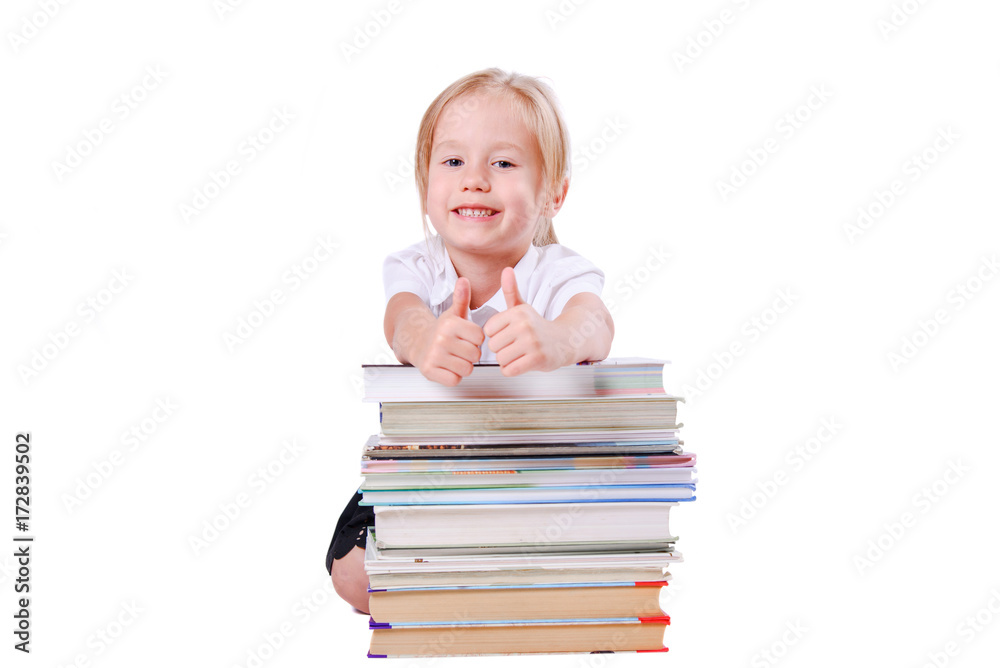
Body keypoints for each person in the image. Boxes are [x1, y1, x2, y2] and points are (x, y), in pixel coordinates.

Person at [328, 68, 615, 614]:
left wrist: (557, 338)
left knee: (587, 565)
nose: (475, 179)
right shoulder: (416, 265)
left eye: (503, 163)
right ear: (426, 184)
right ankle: (468, 588)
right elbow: (401, 317)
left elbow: (595, 319)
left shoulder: (557, 273)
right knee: (354, 575)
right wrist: (424, 339)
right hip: (429, 466)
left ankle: (499, 585)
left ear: (554, 193)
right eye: (453, 161)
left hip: (537, 469)